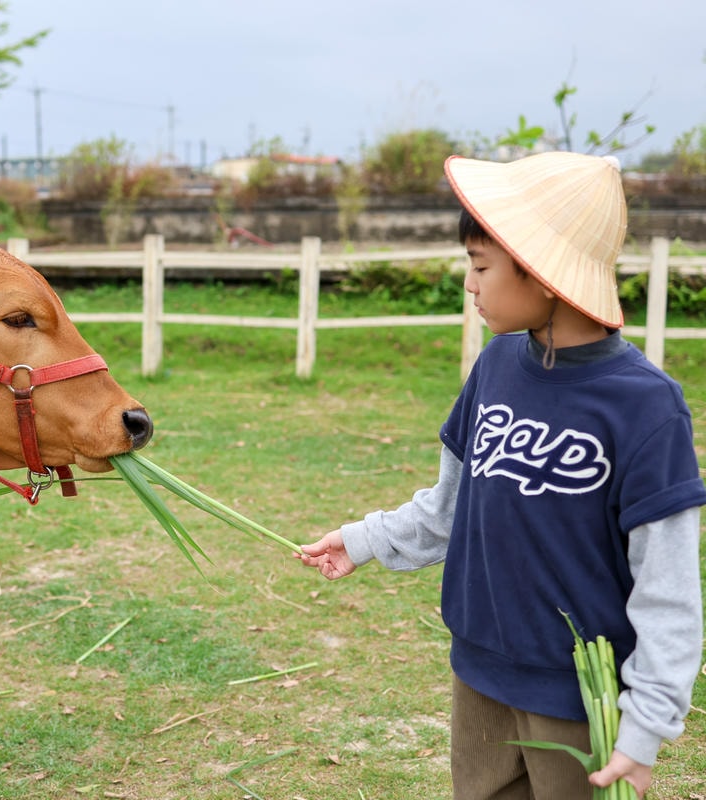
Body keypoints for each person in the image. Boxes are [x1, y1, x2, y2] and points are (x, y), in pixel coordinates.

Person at [297, 151, 704, 800]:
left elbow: (669, 587)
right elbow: (450, 508)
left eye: (480, 265)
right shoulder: (495, 369)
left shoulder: (646, 407)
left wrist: (646, 725)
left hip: (579, 697)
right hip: (479, 675)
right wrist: (365, 540)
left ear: (542, 273)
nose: (470, 284)